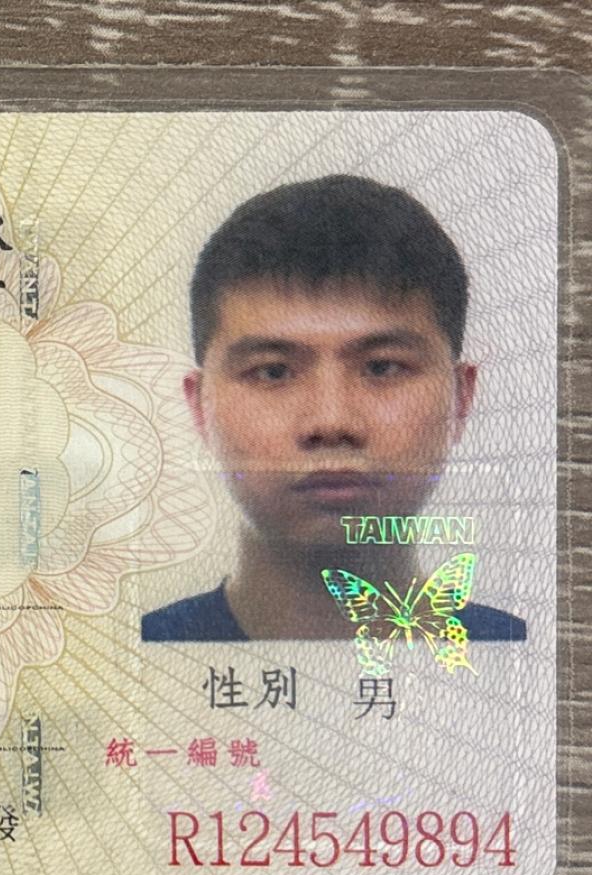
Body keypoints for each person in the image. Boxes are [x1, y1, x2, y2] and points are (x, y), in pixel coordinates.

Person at [142, 174, 526, 642]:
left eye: (383, 367)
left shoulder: (529, 659)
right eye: (273, 372)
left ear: (461, 401)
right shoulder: (131, 661)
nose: (331, 421)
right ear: (200, 408)